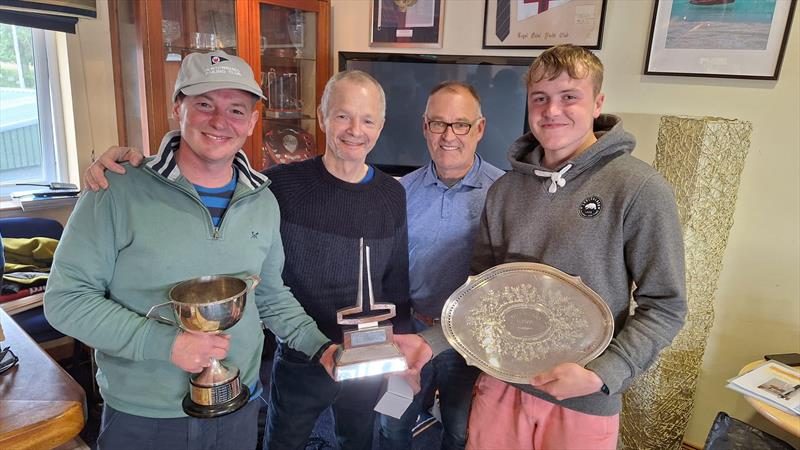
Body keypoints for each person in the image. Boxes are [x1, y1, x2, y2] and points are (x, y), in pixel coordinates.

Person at [83, 70, 411, 450]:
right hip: (295, 355)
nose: (355, 129)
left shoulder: (388, 194)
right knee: (283, 438)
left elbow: (394, 278)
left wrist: (402, 348)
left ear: (381, 125)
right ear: (321, 117)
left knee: (358, 437)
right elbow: (204, 174)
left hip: (360, 350)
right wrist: (124, 160)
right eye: (342, 115)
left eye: (367, 119)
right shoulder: (276, 188)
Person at [399, 44, 687, 449]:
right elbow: (482, 297)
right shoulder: (504, 191)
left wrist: (604, 373)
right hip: (498, 388)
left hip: (581, 401)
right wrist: (428, 343)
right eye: (541, 98)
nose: (552, 111)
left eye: (570, 96)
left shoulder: (639, 188)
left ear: (597, 102)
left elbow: (667, 304)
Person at [44, 50, 336, 450]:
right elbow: (66, 301)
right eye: (204, 104)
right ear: (177, 106)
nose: (220, 121)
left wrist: (321, 347)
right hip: (145, 417)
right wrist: (167, 345)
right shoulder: (116, 189)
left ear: (252, 121)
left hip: (238, 405)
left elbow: (268, 294)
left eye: (236, 109)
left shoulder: (262, 200)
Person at [379, 81, 504, 450]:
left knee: (459, 431)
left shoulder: (503, 193)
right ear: (425, 127)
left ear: (479, 129)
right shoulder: (401, 191)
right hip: (409, 332)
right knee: (391, 422)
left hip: (470, 342)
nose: (449, 136)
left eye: (461, 124)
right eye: (438, 124)